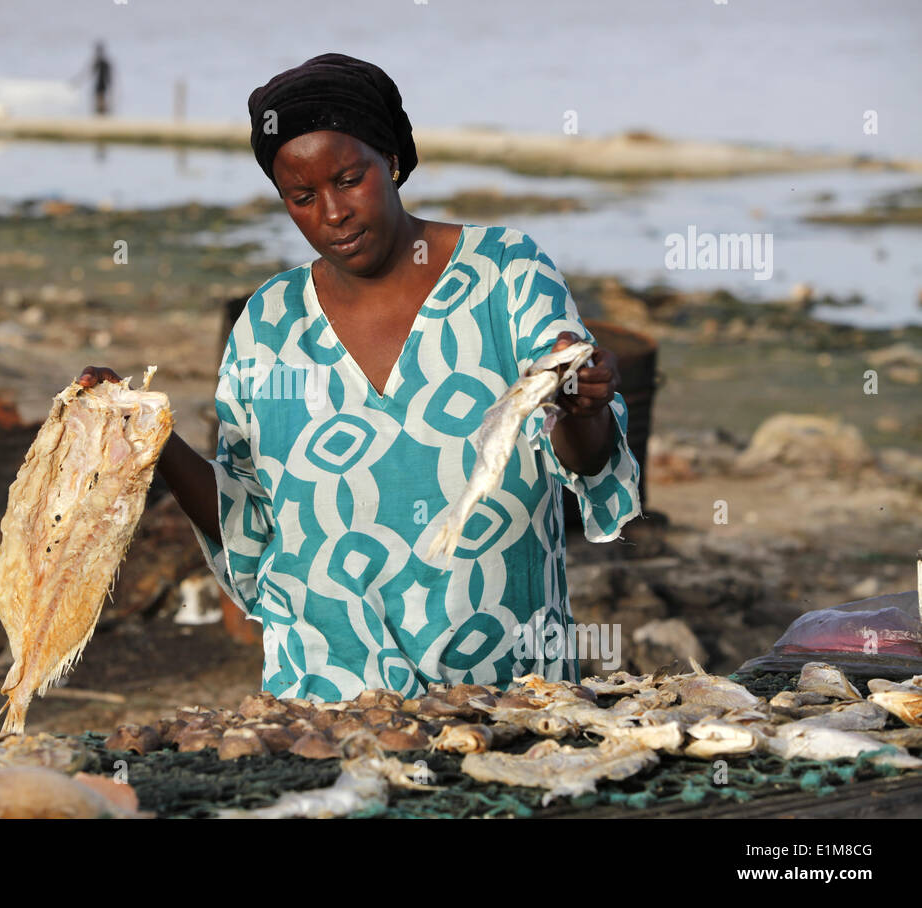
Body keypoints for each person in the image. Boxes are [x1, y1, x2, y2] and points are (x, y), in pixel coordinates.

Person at [79, 53, 641, 701]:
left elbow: (587, 460)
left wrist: (585, 408)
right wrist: (149, 436)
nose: (332, 213)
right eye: (302, 196)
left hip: (505, 697)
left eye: (349, 179)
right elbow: (247, 522)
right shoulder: (269, 324)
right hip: (324, 697)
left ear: (393, 160)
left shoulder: (505, 274)